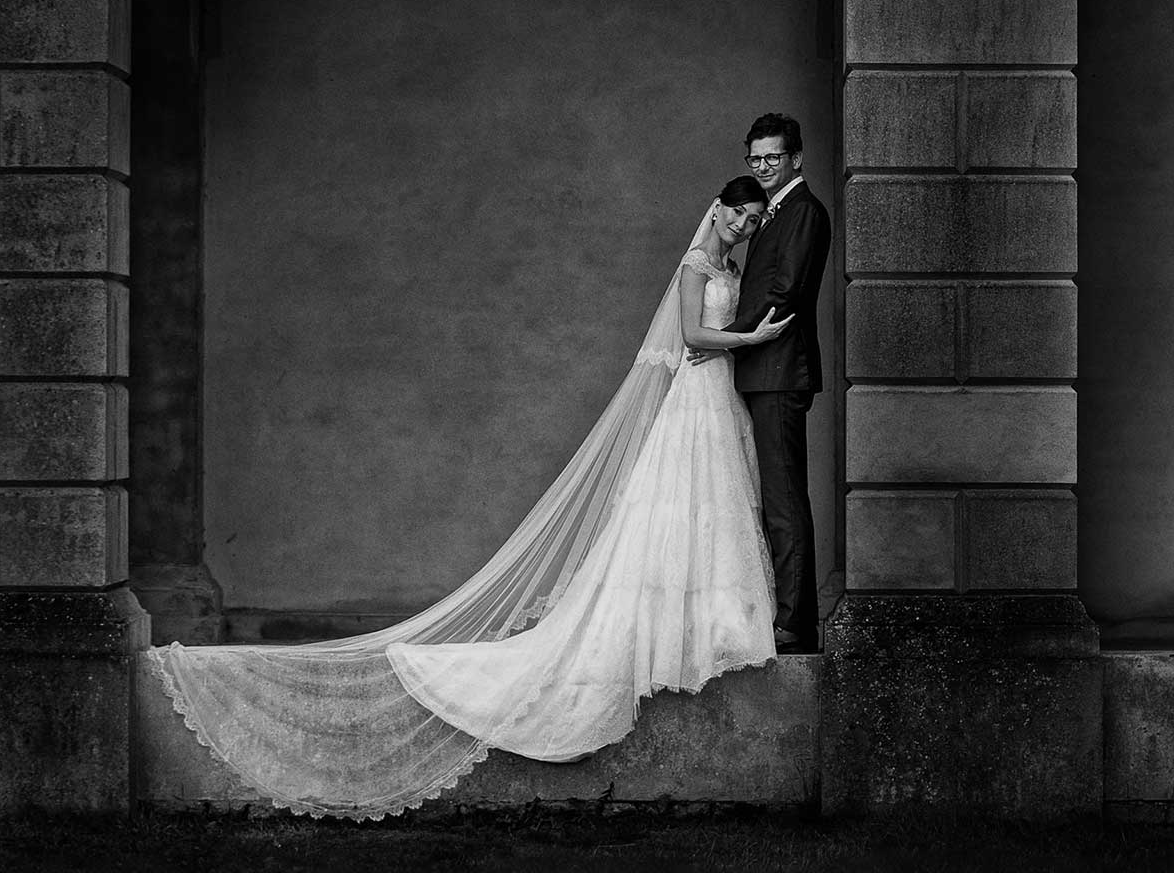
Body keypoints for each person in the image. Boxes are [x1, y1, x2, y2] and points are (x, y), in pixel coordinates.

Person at [152, 176, 793, 819]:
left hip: (722, 400)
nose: (743, 225)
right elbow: (690, 339)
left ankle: (706, 627)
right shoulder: (693, 267)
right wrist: (750, 341)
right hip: (698, 395)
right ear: (717, 209)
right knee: (678, 509)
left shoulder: (730, 266)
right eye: (738, 215)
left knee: (710, 514)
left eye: (753, 218)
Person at [727, 112, 832, 654]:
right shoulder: (770, 213)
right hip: (760, 372)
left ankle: (795, 624)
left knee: (784, 502)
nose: (764, 166)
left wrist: (724, 338)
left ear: (796, 159)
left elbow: (784, 293)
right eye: (756, 158)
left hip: (779, 372)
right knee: (770, 499)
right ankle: (783, 613)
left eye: (773, 157)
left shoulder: (805, 212)